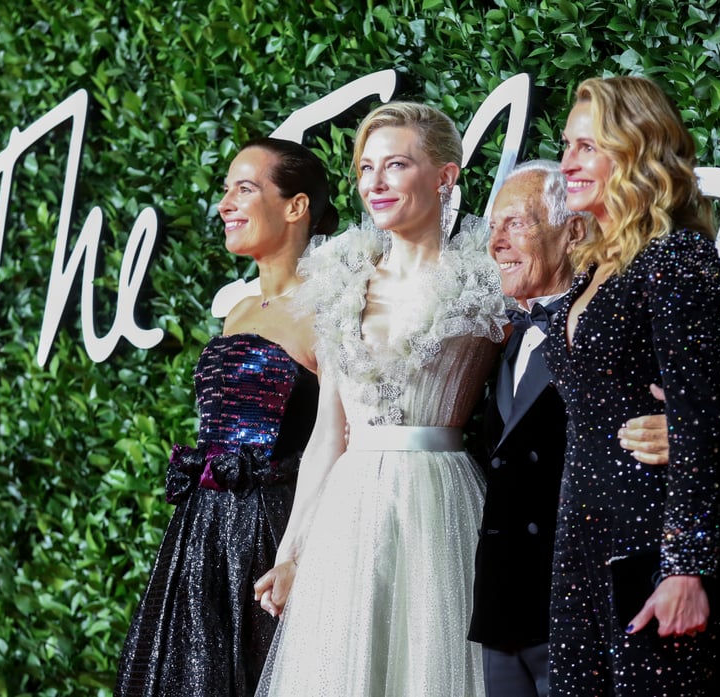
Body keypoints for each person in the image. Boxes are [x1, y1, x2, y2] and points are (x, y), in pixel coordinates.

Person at [252, 102, 508, 696]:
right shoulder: (341, 275)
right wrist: (292, 552)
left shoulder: (488, 274)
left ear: (445, 176)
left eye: (395, 165)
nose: (376, 183)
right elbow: (327, 436)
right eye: (366, 169)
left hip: (442, 506)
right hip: (348, 514)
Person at [114, 137, 339, 697]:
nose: (225, 204)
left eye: (245, 188)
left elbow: (340, 437)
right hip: (202, 529)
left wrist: (300, 548)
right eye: (225, 190)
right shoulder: (238, 310)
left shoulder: (327, 309)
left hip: (272, 528)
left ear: (296, 207)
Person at [546, 75, 720, 696]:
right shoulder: (594, 263)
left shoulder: (676, 257)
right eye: (567, 146)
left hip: (649, 539)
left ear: (638, 151)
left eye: (588, 147)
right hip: (582, 538)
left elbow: (697, 419)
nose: (567, 162)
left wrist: (686, 569)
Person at [468, 160, 672, 697]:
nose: (497, 244)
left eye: (515, 224)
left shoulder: (632, 322)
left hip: (584, 603)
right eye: (493, 229)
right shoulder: (506, 337)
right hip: (504, 607)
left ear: (574, 230)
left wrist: (694, 437)